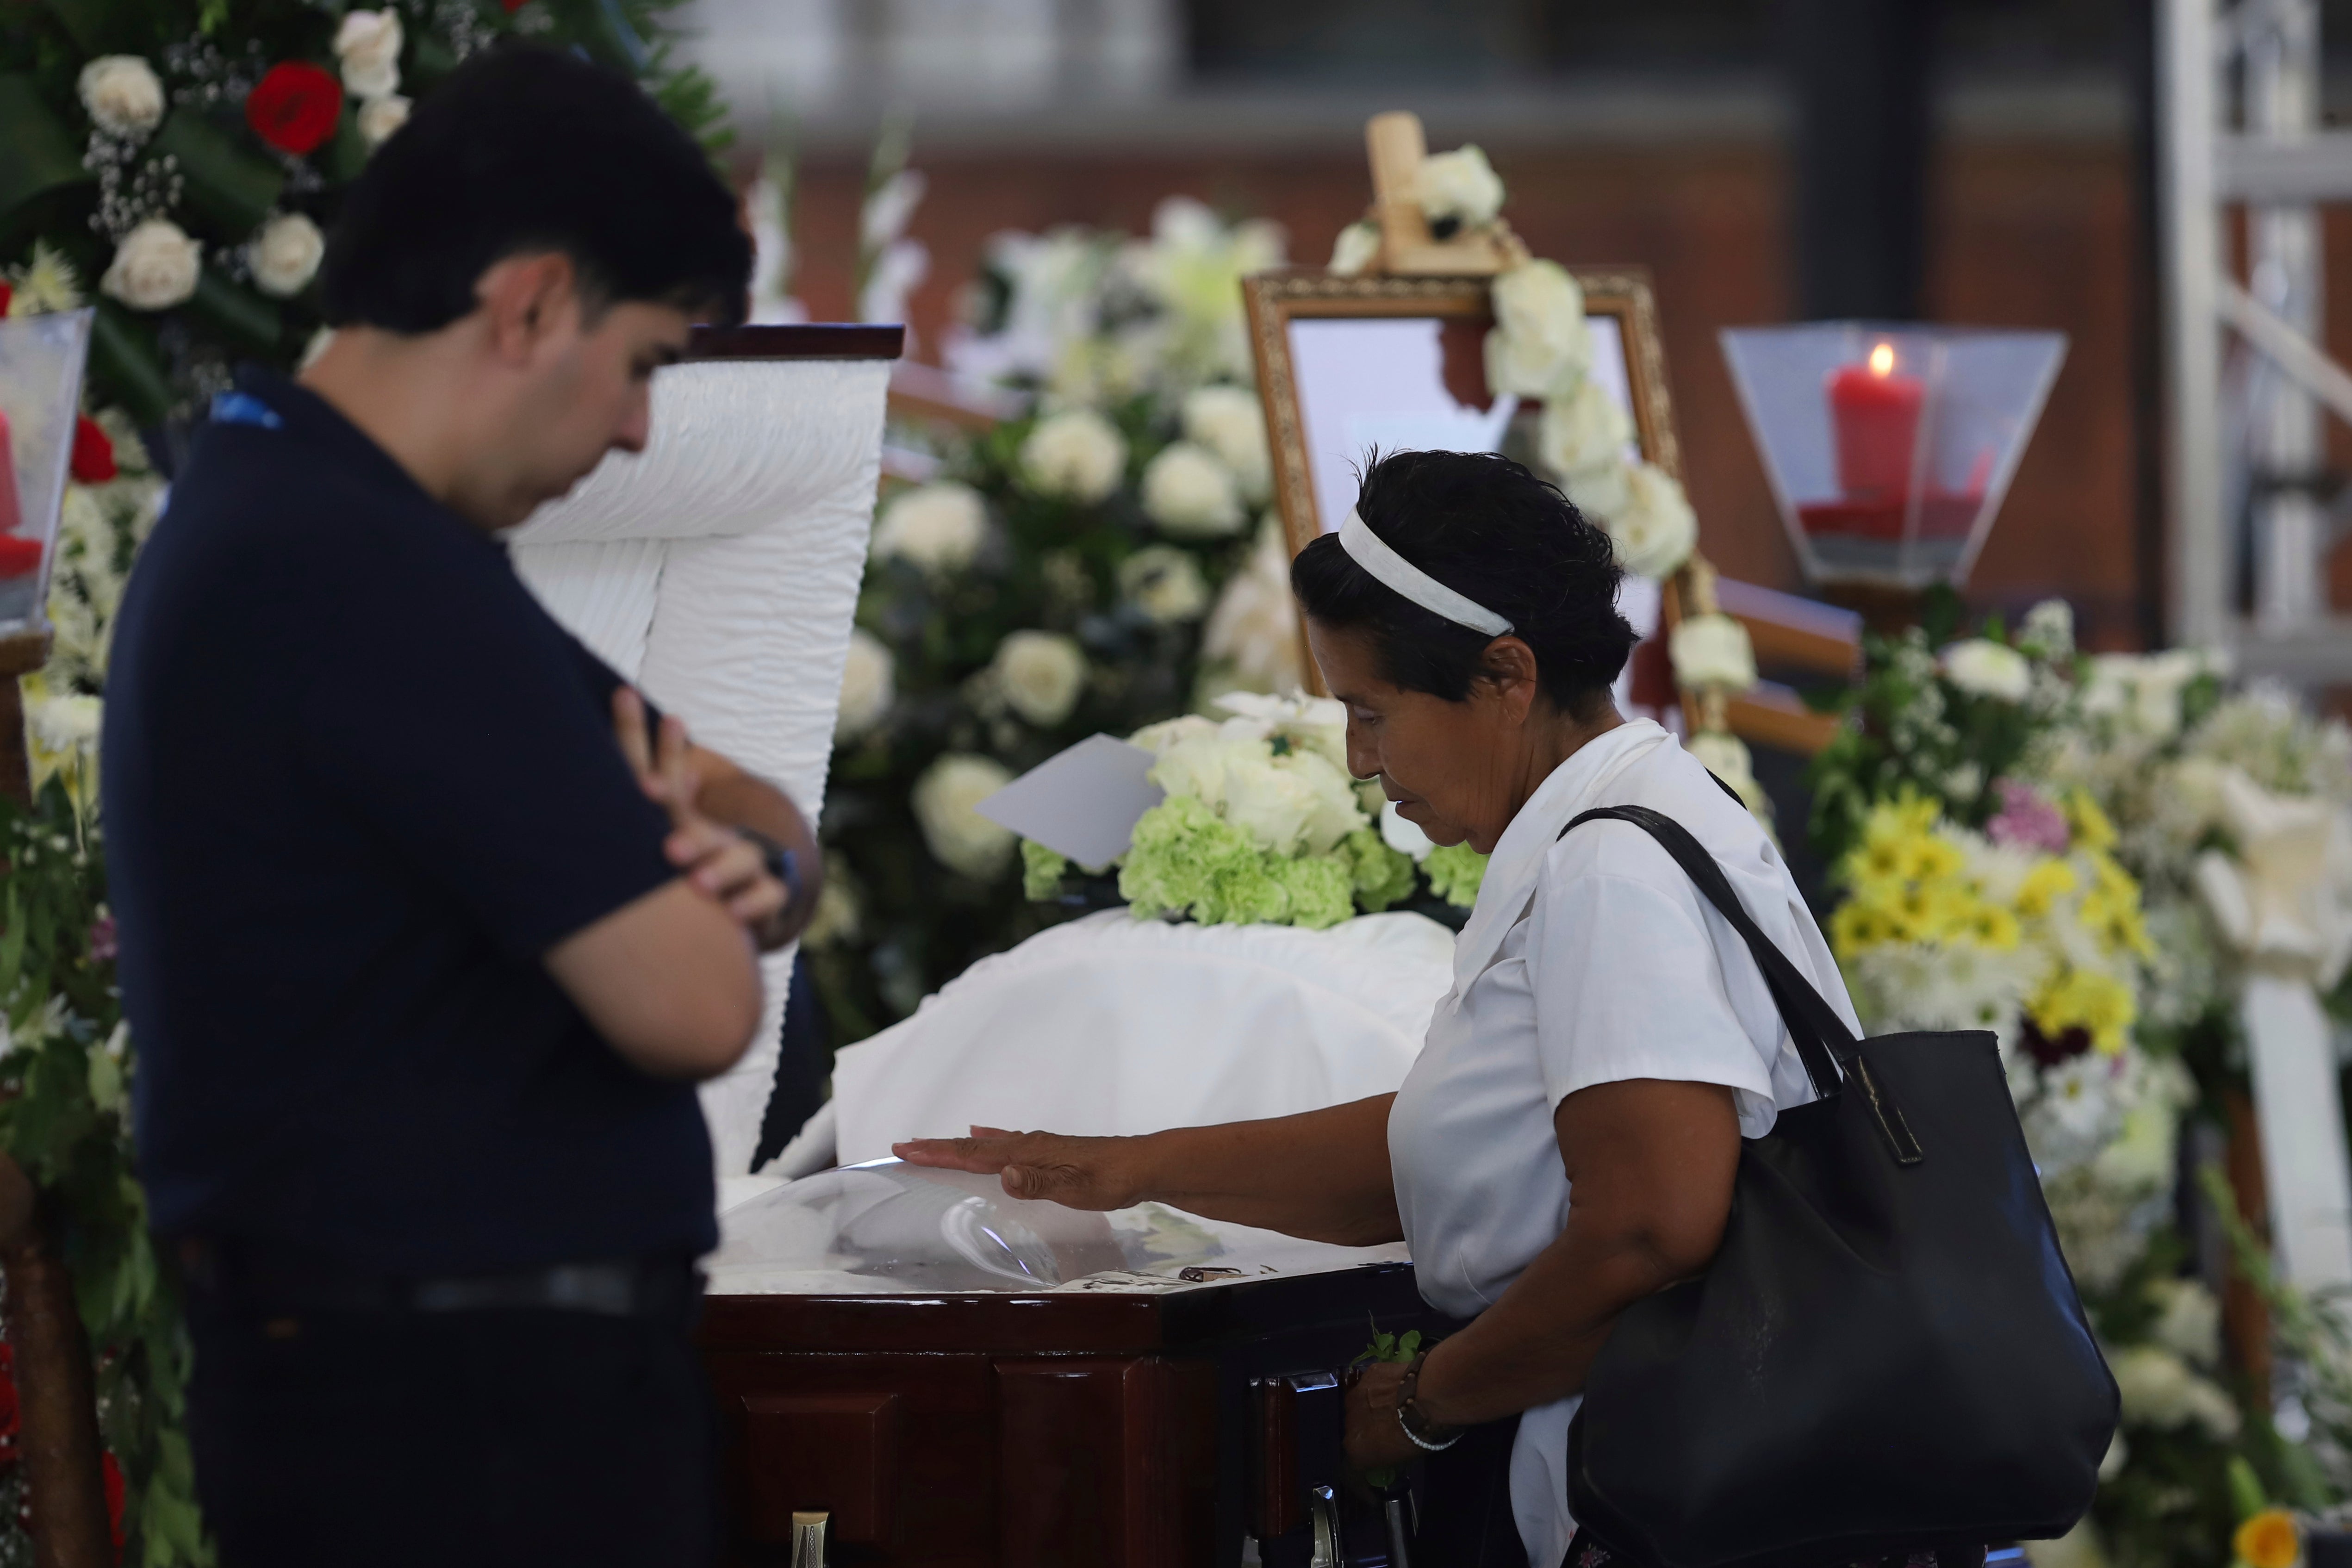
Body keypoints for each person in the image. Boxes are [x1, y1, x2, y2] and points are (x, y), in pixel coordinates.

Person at [102, 46, 821, 1568]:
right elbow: (694, 1004)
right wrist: (721, 876)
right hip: (456, 1417)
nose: (634, 428)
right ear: (533, 302)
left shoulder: (308, 508)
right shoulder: (354, 571)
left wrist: (741, 856)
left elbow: (737, 798)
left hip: (421, 1386)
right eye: (644, 361)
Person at [901, 448, 1860, 1568]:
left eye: (1372, 709)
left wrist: (1418, 1402)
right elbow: (1472, 1147)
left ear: (1505, 674)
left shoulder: (1612, 867)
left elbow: (1652, 1225)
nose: (1359, 759)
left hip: (1643, 1486)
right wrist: (1131, 1166)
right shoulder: (1631, 809)